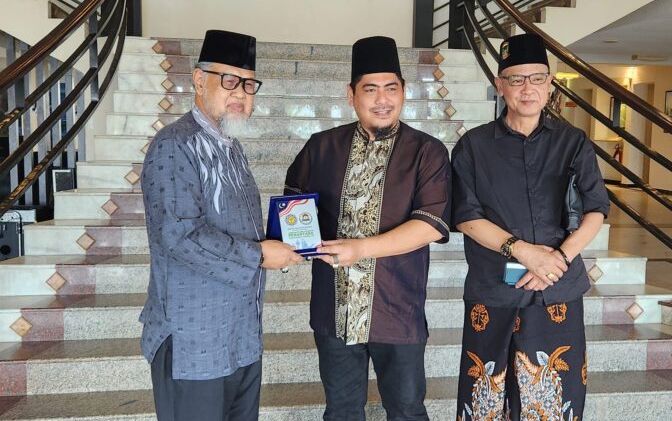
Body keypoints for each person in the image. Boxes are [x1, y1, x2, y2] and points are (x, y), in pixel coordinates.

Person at [284, 36, 452, 421]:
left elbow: (430, 225)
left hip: (397, 308)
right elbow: (294, 211)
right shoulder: (320, 147)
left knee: (407, 409)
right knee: (342, 411)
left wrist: (360, 249)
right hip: (335, 308)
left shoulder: (427, 151)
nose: (382, 99)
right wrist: (291, 243)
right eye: (370, 89)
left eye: (391, 88)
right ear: (351, 94)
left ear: (404, 93)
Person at [139, 29, 303, 421]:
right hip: (194, 341)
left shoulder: (232, 146)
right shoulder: (174, 144)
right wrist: (261, 254)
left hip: (240, 336)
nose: (241, 94)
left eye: (248, 85)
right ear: (199, 81)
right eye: (229, 81)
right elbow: (177, 234)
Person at [451, 33, 609, 420]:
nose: (527, 89)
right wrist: (522, 251)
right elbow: (467, 217)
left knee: (556, 398)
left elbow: (597, 210)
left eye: (537, 78)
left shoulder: (573, 142)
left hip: (557, 289)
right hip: (494, 290)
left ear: (550, 84)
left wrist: (557, 259)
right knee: (485, 397)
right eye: (517, 79)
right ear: (499, 85)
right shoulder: (473, 146)